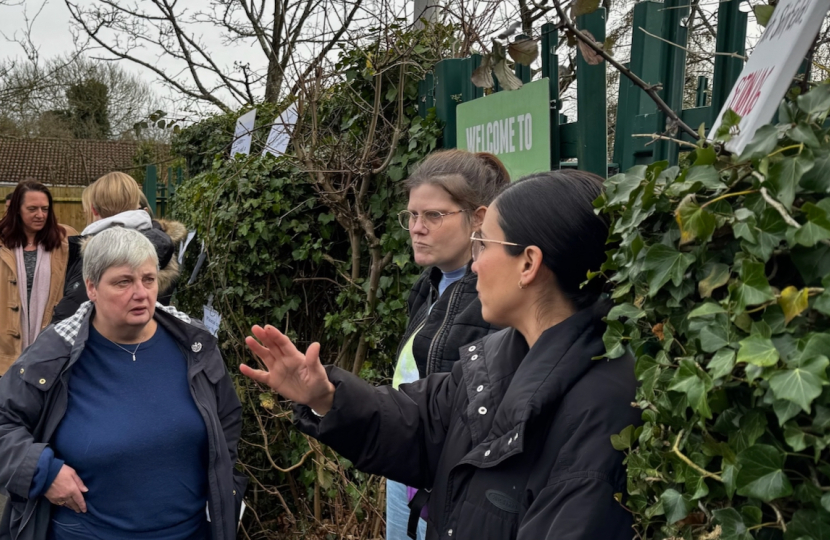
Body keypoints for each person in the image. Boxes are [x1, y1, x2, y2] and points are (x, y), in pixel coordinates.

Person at [241, 170, 641, 540]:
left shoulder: (602, 409)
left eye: (483, 244)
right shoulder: (499, 354)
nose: (475, 263)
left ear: (529, 263)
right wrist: (325, 395)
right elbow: (419, 426)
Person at [0, 227, 246, 540]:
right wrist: (42, 472)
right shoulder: (53, 355)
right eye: (123, 282)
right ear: (92, 287)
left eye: (148, 279)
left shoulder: (194, 346)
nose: (141, 293)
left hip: (190, 532)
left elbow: (227, 421)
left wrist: (226, 488)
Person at [388, 150, 508, 539]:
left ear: (478, 218)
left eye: (434, 215)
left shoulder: (494, 301)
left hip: (453, 486)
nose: (417, 228)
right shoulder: (427, 287)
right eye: (412, 215)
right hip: (404, 475)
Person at [51, 172, 187, 322]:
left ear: (94, 210)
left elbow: (69, 315)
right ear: (137, 204)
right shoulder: (160, 245)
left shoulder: (98, 253)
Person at [0, 181, 77, 376]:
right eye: (32, 209)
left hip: (50, 343)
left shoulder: (65, 241)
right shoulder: (2, 242)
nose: (40, 215)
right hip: (5, 347)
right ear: (17, 209)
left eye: (45, 209)